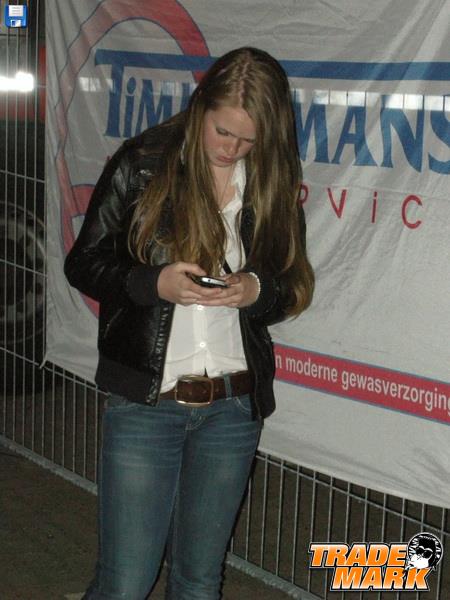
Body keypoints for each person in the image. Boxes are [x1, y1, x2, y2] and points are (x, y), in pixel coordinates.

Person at [64, 46, 314, 600]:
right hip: (147, 404)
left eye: (248, 140)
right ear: (201, 105)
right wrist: (152, 283)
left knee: (199, 582)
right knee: (126, 583)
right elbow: (83, 263)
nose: (232, 149)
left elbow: (293, 283)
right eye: (223, 132)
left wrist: (256, 290)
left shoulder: (271, 176)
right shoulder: (142, 162)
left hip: (233, 407)